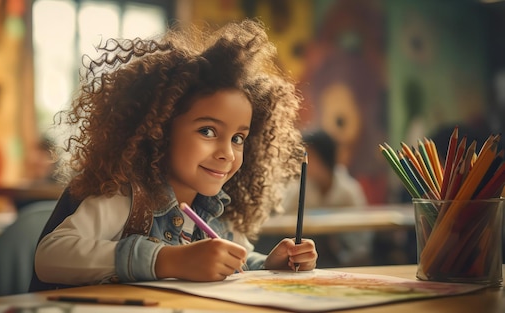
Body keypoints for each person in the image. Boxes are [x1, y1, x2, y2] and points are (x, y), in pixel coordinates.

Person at [33, 19, 318, 287]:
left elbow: (235, 262)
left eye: (238, 138)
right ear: (159, 129)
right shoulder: (125, 197)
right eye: (208, 131)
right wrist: (165, 260)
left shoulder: (216, 208)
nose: (228, 153)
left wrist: (270, 263)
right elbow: (50, 256)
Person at [282, 129, 371, 267]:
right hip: (309, 259)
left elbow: (362, 234)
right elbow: (284, 217)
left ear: (325, 158)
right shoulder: (301, 188)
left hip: (347, 259)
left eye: (310, 156)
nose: (303, 162)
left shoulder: (348, 190)